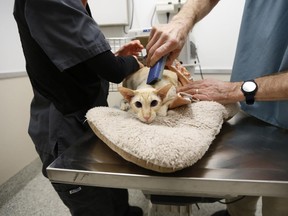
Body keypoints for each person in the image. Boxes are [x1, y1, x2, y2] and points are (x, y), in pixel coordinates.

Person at [146, 0, 288, 216]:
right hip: (249, 104)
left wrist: (234, 91)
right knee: (239, 194)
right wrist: (182, 21)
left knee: (278, 204)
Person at [13, 0, 144, 215]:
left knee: (116, 196)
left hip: (92, 119)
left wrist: (117, 59)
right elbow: (112, 71)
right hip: (66, 126)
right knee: (95, 205)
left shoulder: (77, 4)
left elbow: (81, 64)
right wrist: (132, 63)